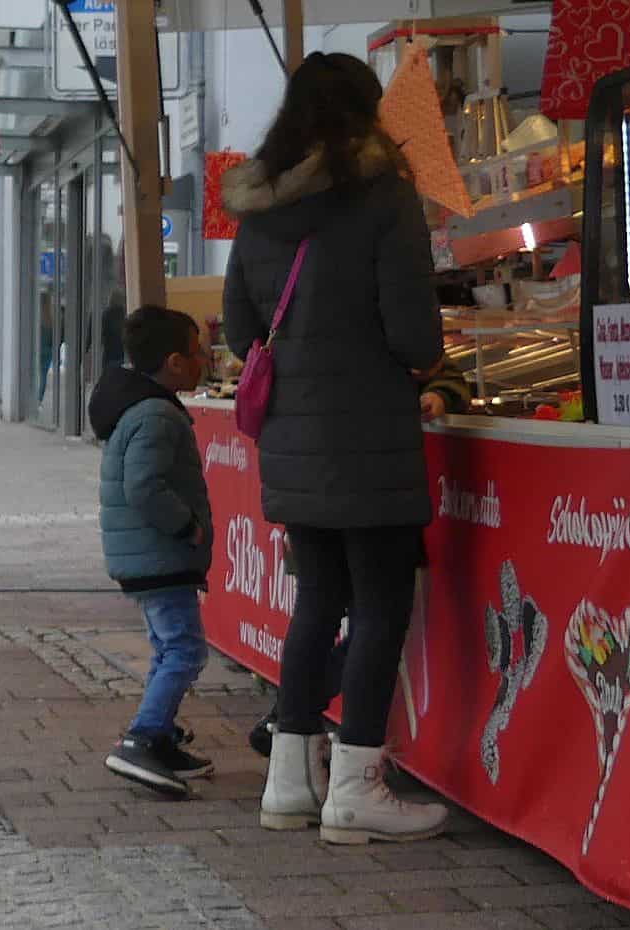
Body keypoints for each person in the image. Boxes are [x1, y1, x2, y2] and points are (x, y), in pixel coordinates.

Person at [222, 51, 449, 843]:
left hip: (293, 440)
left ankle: (289, 783)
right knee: (381, 604)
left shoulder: (257, 207)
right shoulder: (384, 196)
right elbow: (416, 335)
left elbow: (241, 331)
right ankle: (356, 784)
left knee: (316, 602)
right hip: (371, 438)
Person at [245, 356, 474, 758]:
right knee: (374, 618)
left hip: (304, 479)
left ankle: (291, 743)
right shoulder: (372, 333)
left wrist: (438, 393)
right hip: (369, 484)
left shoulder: (295, 340)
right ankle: (353, 765)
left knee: (321, 610)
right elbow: (424, 349)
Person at [88, 306, 214, 798]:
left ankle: (159, 738)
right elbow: (143, 485)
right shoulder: (157, 414)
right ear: (174, 363)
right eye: (196, 352)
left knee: (168, 647)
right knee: (186, 649)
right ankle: (142, 737)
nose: (204, 360)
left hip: (148, 555)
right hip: (160, 553)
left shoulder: (141, 405)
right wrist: (187, 527)